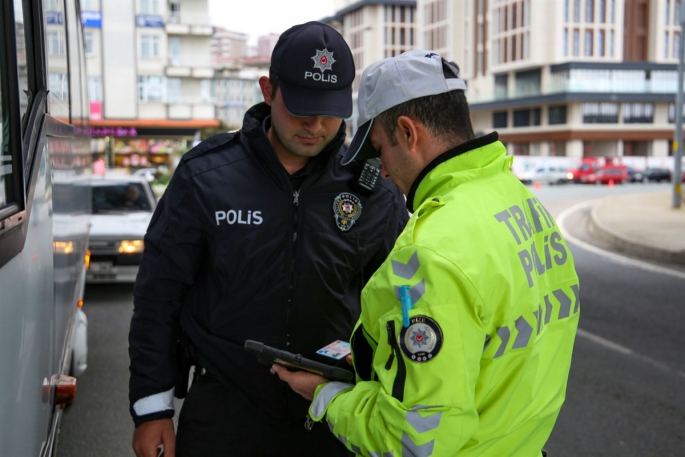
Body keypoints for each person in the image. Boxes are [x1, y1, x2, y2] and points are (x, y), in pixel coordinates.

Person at [273, 49, 580, 456]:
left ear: (407, 132)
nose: (380, 170)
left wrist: (327, 397)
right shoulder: (521, 203)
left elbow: (411, 442)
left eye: (379, 148)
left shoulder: (431, 252)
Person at [128, 22, 408, 457]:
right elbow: (157, 297)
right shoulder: (205, 177)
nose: (315, 125)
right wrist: (152, 408)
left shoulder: (373, 192)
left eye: (330, 111)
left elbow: (400, 308)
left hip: (333, 412)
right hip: (225, 411)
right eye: (301, 108)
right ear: (268, 90)